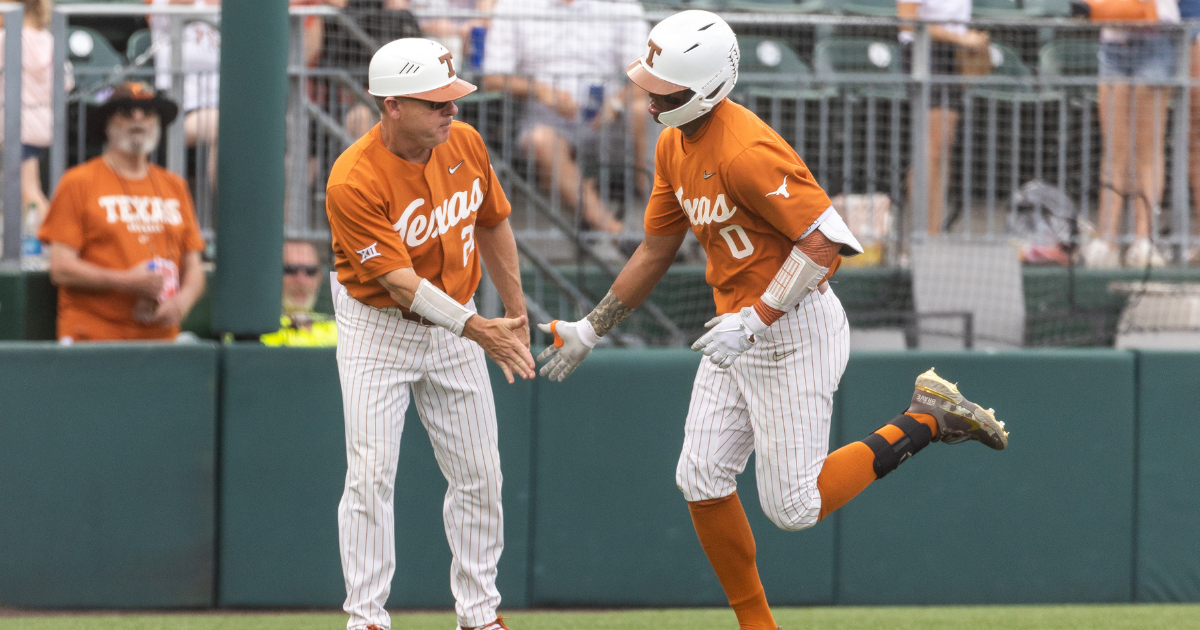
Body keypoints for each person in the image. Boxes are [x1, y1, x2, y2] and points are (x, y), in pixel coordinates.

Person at [535, 12, 1008, 630]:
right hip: (737, 329)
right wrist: (592, 328)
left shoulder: (746, 148)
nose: (649, 96)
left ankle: (926, 417)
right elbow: (655, 248)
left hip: (791, 331)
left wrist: (756, 319)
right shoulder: (671, 140)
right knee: (700, 477)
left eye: (664, 87)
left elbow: (827, 244)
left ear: (705, 86)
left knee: (793, 507)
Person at [326, 38, 533, 630]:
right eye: (437, 101)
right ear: (391, 105)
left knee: (480, 474)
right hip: (378, 326)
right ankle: (366, 618)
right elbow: (396, 283)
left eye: (454, 98)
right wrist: (479, 330)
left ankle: (480, 615)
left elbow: (492, 223)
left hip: (457, 319)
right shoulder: (352, 179)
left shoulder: (463, 143)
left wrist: (513, 315)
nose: (452, 111)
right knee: (370, 475)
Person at [39, 81, 205, 342]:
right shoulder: (78, 182)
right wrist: (126, 281)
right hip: (94, 339)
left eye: (148, 112)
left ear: (158, 123)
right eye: (126, 111)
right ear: (107, 124)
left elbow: (194, 266)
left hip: (161, 340)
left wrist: (182, 302)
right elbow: (60, 267)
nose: (138, 118)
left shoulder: (175, 186)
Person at [482, 0, 650, 239]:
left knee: (640, 109)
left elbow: (647, 73)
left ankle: (664, 220)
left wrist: (615, 103)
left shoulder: (622, 7)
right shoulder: (513, 6)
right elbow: (493, 77)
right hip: (545, 120)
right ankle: (617, 234)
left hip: (611, 121)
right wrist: (541, 90)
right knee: (540, 139)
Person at [1082, 0, 1179, 268]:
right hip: (1113, 43)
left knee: (1148, 152)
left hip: (1156, 43)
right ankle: (1107, 241)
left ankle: (1143, 241)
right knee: (1115, 150)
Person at [898, 0, 986, 236]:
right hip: (923, 52)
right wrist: (960, 38)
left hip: (954, 54)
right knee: (931, 146)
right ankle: (919, 233)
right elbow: (908, 23)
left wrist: (967, 41)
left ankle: (934, 233)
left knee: (944, 145)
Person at [0, 0, 74, 223]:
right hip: (39, 126)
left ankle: (52, 238)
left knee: (28, 191)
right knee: (27, 188)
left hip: (13, 127)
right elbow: (66, 82)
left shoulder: (6, 38)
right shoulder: (48, 39)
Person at [260, 239, 337, 347]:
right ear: (273, 275)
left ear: (319, 278)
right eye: (290, 270)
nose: (301, 280)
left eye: (310, 271)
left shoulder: (339, 329)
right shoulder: (257, 331)